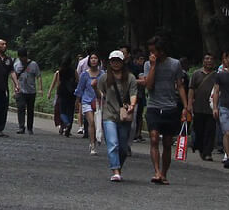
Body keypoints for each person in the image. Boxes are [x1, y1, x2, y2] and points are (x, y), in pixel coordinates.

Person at [137, 35, 190, 184]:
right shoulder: (148, 64)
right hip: (154, 105)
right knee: (153, 138)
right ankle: (157, 171)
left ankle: (164, 173)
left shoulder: (175, 64)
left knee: (167, 143)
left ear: (161, 51)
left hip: (170, 107)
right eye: (150, 51)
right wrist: (153, 66)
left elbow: (180, 85)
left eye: (154, 51)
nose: (151, 54)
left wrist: (186, 107)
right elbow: (149, 85)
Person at [97, 50, 139, 181]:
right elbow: (101, 93)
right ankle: (115, 170)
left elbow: (133, 93)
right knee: (113, 143)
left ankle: (118, 166)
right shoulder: (105, 77)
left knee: (123, 146)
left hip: (124, 114)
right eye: (113, 61)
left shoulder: (130, 78)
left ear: (123, 62)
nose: (115, 63)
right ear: (110, 62)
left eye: (118, 61)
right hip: (109, 114)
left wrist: (132, 105)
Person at [189, 52, 219, 160]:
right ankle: (200, 148)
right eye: (207, 58)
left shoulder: (217, 75)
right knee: (199, 130)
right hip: (198, 107)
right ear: (203, 61)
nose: (209, 61)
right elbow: (191, 89)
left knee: (210, 131)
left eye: (211, 59)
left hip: (211, 108)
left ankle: (208, 152)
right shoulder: (196, 74)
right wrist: (189, 105)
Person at [75, 52, 102, 155]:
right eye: (92, 58)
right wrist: (77, 101)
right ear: (89, 61)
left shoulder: (102, 74)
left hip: (98, 101)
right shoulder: (84, 75)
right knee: (91, 122)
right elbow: (80, 89)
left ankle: (95, 139)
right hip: (87, 101)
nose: (94, 60)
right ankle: (92, 144)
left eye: (96, 58)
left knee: (97, 123)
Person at [48, 56, 78, 136]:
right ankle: (69, 128)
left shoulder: (59, 72)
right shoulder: (74, 71)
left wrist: (51, 92)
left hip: (62, 93)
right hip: (72, 93)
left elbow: (58, 83)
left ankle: (66, 123)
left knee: (62, 111)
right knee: (70, 112)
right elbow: (78, 80)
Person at [14, 48, 40, 134]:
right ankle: (21, 127)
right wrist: (15, 87)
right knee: (20, 108)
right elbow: (13, 76)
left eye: (23, 57)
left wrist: (40, 88)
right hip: (20, 90)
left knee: (30, 110)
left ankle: (30, 127)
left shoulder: (33, 64)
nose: (22, 59)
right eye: (21, 58)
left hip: (31, 91)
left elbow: (38, 76)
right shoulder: (16, 64)